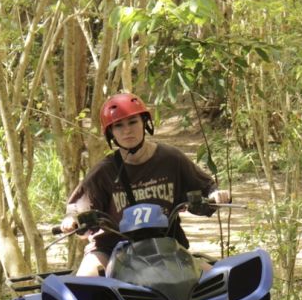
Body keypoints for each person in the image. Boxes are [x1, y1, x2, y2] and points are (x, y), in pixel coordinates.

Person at [60, 92, 231, 276]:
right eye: (118, 126)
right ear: (111, 133)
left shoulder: (171, 159)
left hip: (165, 246)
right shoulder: (104, 171)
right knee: (85, 284)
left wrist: (216, 195)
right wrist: (72, 221)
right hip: (112, 249)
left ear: (145, 123)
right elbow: (78, 209)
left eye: (133, 122)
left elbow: (206, 187)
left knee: (220, 281)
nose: (127, 130)